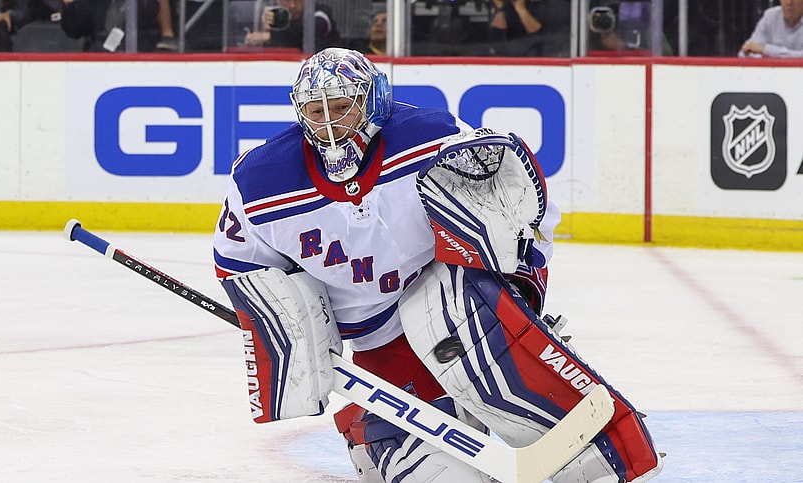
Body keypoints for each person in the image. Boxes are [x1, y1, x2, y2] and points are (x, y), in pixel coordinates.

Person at [213, 47, 663, 482]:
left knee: (583, 451)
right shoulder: (259, 178)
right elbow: (239, 266)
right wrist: (283, 329)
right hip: (378, 346)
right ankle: (365, 423)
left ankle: (575, 426)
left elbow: (519, 207)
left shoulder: (430, 136)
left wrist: (519, 294)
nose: (329, 123)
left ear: (371, 102)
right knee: (439, 476)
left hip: (457, 310)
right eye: (316, 111)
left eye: (342, 106)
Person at [60, 0, 166, 52]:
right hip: (97, 62)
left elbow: (150, 33)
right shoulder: (93, 2)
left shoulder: (143, 3)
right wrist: (72, 6)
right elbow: (74, 31)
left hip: (135, 61)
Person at [243, 0, 341, 51]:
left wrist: (269, 36)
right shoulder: (274, 14)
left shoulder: (321, 13)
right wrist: (264, 28)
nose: (293, 5)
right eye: (287, 0)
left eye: (297, 0)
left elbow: (309, 28)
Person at [487, 0, 570, 56]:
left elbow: (541, 40)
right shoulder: (512, 7)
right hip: (511, 64)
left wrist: (522, 11)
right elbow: (498, 42)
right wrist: (501, 9)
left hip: (543, 64)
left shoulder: (557, 6)